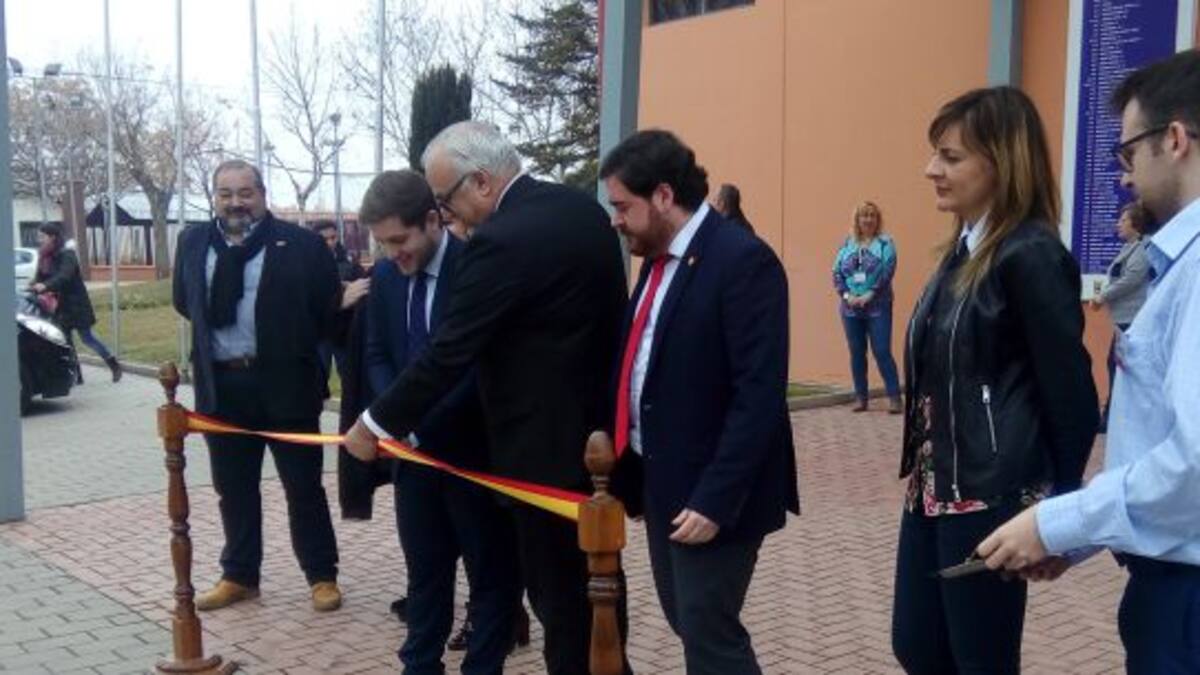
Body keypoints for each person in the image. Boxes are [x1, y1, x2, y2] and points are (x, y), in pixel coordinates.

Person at [343, 121, 629, 675]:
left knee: (561, 608)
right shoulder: (580, 210)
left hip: (539, 458)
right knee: (601, 601)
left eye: (445, 200)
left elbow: (450, 353)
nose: (447, 214)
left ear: (480, 181)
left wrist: (372, 425)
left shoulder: (499, 242)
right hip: (596, 443)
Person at [978, 49, 1200, 674]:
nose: (1125, 177)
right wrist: (1081, 535)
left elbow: (1192, 464)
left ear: (1175, 140)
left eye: (1128, 154)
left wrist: (1058, 522)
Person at [891, 86, 1098, 674]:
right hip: (933, 489)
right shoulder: (962, 252)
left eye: (951, 157)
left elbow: (1071, 394)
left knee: (980, 660)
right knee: (918, 646)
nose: (931, 170)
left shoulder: (1029, 255)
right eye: (936, 153)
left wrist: (1057, 511)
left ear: (1001, 163)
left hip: (990, 495)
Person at [600, 129, 799, 675]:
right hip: (663, 482)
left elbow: (758, 395)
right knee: (689, 622)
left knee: (709, 633)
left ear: (663, 195)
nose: (616, 220)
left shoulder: (743, 261)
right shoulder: (656, 262)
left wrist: (716, 500)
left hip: (715, 493)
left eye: (622, 206)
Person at [358, 169, 524, 673]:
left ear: (432, 220)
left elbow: (475, 365)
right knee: (425, 575)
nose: (392, 254)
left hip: (474, 456)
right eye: (382, 243)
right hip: (413, 461)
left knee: (492, 578)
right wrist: (394, 417)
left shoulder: (476, 268)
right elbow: (376, 352)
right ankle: (420, 665)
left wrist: (416, 421)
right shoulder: (387, 277)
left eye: (399, 240)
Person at [172, 159, 343, 613]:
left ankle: (322, 575)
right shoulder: (192, 242)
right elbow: (185, 301)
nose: (236, 203)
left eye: (245, 193)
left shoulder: (302, 244)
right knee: (234, 488)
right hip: (222, 388)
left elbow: (325, 307)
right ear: (214, 198)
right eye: (225, 194)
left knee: (303, 487)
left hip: (286, 386)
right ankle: (240, 576)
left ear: (263, 195)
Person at [29, 222, 122, 383]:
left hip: (76, 304)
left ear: (52, 237)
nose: (39, 240)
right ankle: (76, 375)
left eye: (42, 236)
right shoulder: (45, 256)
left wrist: (45, 286)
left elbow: (64, 276)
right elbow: (41, 277)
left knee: (87, 338)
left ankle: (113, 363)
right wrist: (34, 285)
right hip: (59, 306)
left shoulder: (67, 254)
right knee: (65, 341)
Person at [1089, 201, 1153, 433]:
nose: (1118, 224)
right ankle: (1113, 416)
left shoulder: (1142, 249)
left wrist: (1102, 297)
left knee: (1120, 366)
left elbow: (1131, 279)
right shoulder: (1129, 248)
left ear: (1136, 224)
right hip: (1122, 319)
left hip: (1132, 319)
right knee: (1115, 365)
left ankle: (1112, 418)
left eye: (1123, 220)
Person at [832, 201, 901, 413]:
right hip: (850, 308)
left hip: (878, 306)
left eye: (872, 215)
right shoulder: (847, 244)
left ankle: (895, 397)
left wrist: (870, 294)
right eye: (864, 215)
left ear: (877, 219)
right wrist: (846, 295)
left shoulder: (885, 243)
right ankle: (861, 398)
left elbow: (888, 270)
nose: (868, 219)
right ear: (857, 219)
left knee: (881, 351)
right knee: (856, 352)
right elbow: (836, 272)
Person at [312, 220, 369, 388]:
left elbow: (363, 286)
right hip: (320, 333)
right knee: (317, 379)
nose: (330, 242)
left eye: (333, 237)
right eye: (325, 239)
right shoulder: (306, 263)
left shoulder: (349, 263)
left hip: (344, 331)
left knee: (350, 378)